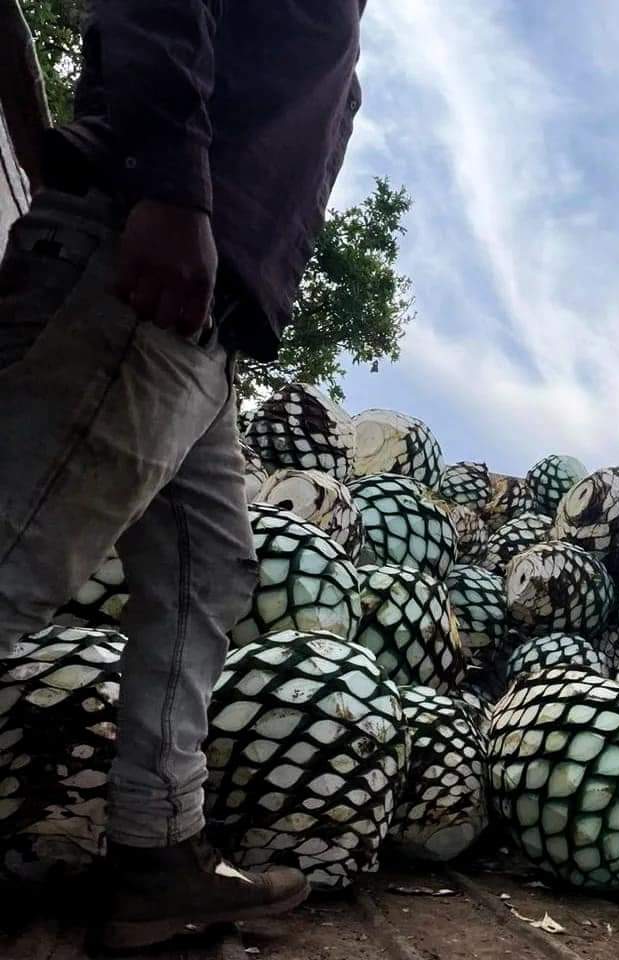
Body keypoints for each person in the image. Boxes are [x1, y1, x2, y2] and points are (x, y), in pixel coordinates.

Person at [0, 0, 365, 950]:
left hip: (208, 316)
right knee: (18, 551)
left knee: (211, 567)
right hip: (145, 255)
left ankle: (156, 854)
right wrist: (170, 187)